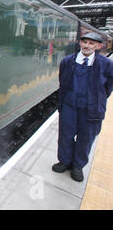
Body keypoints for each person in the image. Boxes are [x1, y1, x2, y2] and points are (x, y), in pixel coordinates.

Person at [52, 32, 113, 182]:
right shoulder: (67, 61)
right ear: (80, 43)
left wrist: (98, 98)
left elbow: (109, 86)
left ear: (98, 46)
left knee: (86, 138)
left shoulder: (106, 64)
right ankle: (65, 161)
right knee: (65, 135)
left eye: (91, 43)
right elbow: (63, 81)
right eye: (84, 42)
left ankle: (78, 166)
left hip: (91, 107)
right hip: (69, 104)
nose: (87, 46)